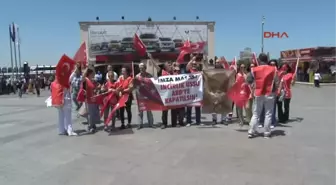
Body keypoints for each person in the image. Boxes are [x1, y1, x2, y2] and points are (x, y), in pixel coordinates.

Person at [246, 54, 279, 139]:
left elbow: (248, 80)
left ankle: (251, 131)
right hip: (270, 93)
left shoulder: (254, 69)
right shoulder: (273, 69)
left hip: (258, 93)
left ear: (259, 60)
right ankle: (267, 132)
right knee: (268, 113)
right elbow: (277, 81)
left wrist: (253, 84)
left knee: (256, 113)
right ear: (267, 59)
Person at [136, 63, 155, 129]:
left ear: (145, 68)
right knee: (140, 111)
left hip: (148, 96)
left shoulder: (149, 76)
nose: (141, 69)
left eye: (142, 67)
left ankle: (151, 124)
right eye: (140, 68)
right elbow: (135, 86)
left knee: (149, 110)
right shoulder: (137, 76)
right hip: (140, 96)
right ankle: (139, 124)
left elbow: (153, 85)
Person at [82, 68, 100, 133]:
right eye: (93, 73)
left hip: (93, 98)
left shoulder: (91, 80)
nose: (94, 74)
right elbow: (82, 78)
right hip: (89, 99)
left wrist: (96, 89)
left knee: (93, 113)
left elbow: (96, 86)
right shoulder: (86, 79)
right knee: (90, 114)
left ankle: (93, 125)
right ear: (89, 74)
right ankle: (90, 127)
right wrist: (86, 69)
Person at [185, 57, 201, 126]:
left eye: (195, 64)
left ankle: (198, 121)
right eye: (193, 64)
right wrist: (192, 60)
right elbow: (187, 67)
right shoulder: (189, 71)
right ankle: (188, 121)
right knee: (189, 108)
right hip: (190, 92)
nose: (194, 65)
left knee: (197, 107)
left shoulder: (199, 72)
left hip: (197, 92)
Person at [211, 59, 227, 125]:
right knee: (214, 105)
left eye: (218, 62)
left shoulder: (224, 72)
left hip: (222, 90)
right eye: (216, 62)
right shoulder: (212, 72)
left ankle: (223, 119)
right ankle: (214, 119)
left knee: (223, 105)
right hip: (215, 91)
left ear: (220, 63)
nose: (217, 63)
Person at [171, 62, 185, 127]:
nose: (177, 71)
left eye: (178, 70)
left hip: (181, 95)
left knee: (181, 110)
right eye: (175, 70)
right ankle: (174, 123)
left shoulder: (182, 76)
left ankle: (181, 122)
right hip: (173, 95)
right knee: (174, 110)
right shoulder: (170, 76)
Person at [160, 61, 174, 129]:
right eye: (169, 65)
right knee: (165, 110)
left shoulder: (174, 73)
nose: (170, 66)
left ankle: (174, 123)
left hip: (173, 94)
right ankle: (164, 123)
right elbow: (156, 67)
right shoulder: (163, 72)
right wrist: (151, 58)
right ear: (165, 67)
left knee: (174, 109)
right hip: (165, 94)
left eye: (170, 65)